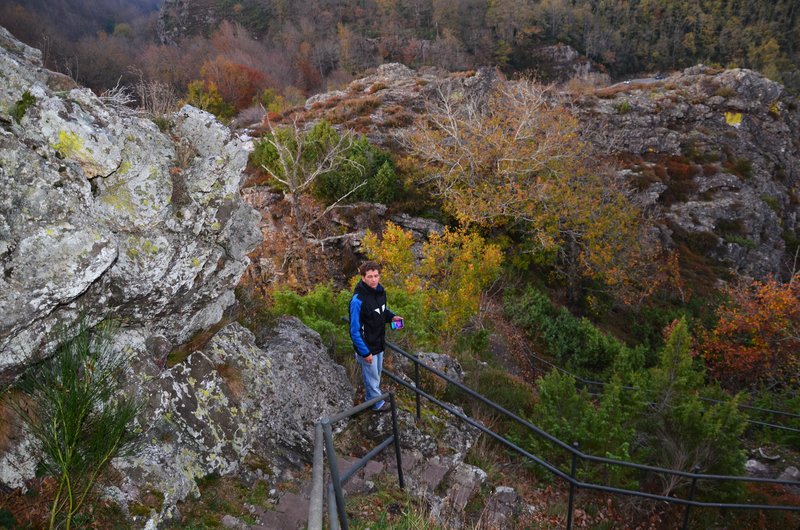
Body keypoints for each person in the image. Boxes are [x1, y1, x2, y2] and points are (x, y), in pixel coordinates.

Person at [349, 261, 402, 412]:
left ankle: (373, 399)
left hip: (379, 342)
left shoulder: (380, 292)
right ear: (363, 277)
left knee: (376, 376)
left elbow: (381, 311)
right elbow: (354, 330)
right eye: (370, 276)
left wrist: (392, 317)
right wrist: (364, 352)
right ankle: (376, 404)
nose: (374, 279)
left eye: (376, 276)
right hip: (367, 346)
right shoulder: (357, 300)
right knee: (371, 378)